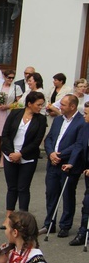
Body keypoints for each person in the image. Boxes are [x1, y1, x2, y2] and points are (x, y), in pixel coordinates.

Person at [0, 92, 48, 227]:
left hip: (27, 158)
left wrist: (20, 154)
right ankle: (8, 217)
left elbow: (37, 141)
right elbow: (5, 134)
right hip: (10, 156)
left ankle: (23, 218)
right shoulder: (15, 114)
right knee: (12, 187)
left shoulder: (41, 120)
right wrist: (11, 153)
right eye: (38, 105)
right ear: (29, 104)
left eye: (42, 105)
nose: (40, 107)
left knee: (23, 188)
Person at [41, 94, 82, 237]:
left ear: (72, 106)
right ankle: (50, 223)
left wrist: (61, 155)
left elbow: (78, 144)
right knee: (51, 193)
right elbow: (50, 138)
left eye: (63, 105)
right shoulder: (58, 120)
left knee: (67, 195)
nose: (60, 107)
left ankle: (65, 224)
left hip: (68, 164)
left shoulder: (81, 122)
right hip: (53, 163)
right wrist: (51, 153)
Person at [64, 104, 89, 245]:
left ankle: (83, 232)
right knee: (87, 203)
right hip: (86, 170)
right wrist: (72, 163)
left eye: (86, 113)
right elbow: (79, 145)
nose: (83, 116)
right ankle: (83, 232)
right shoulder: (85, 127)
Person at [0, 70, 21, 168]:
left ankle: (3, 158)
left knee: (5, 136)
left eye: (12, 78)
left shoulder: (16, 87)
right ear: (4, 76)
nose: (10, 79)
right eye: (9, 77)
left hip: (8, 113)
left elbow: (19, 102)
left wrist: (8, 106)